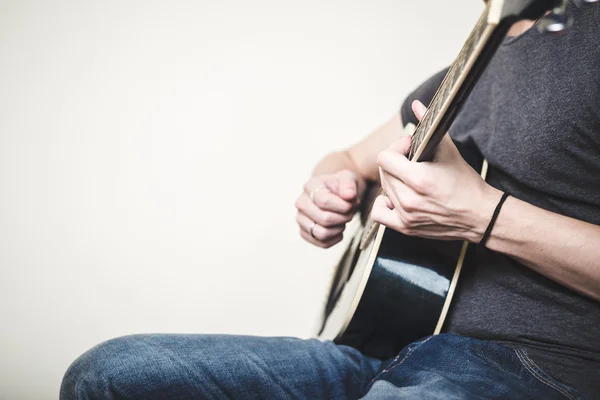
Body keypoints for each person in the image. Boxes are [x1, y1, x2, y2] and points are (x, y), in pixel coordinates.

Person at [60, 2, 600, 399]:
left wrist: (484, 216)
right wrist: (329, 191)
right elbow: (346, 159)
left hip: (541, 367)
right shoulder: (471, 64)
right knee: (110, 375)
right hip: (383, 348)